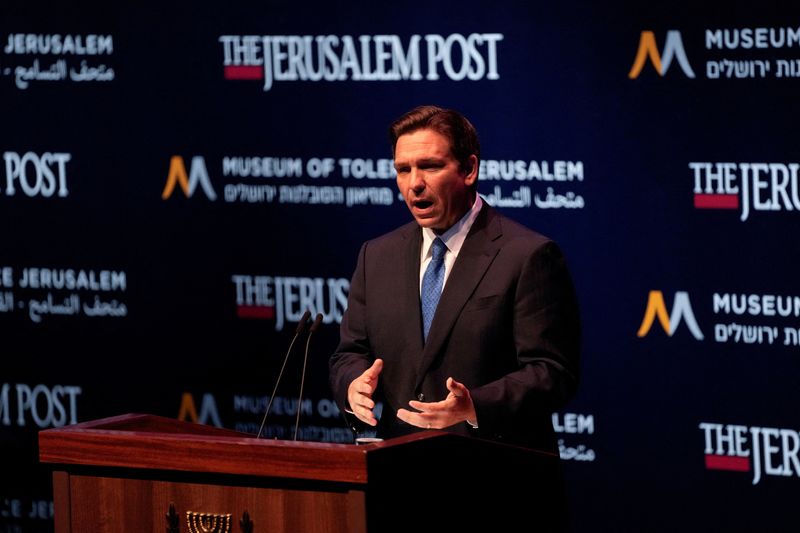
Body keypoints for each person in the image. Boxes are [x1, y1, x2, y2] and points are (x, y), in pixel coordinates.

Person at [329, 105, 580, 452]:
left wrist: (475, 405)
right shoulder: (377, 256)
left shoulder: (527, 256)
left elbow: (552, 371)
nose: (414, 183)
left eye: (430, 166)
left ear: (469, 169)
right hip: (397, 474)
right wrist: (352, 384)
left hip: (493, 474)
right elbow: (349, 353)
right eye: (403, 170)